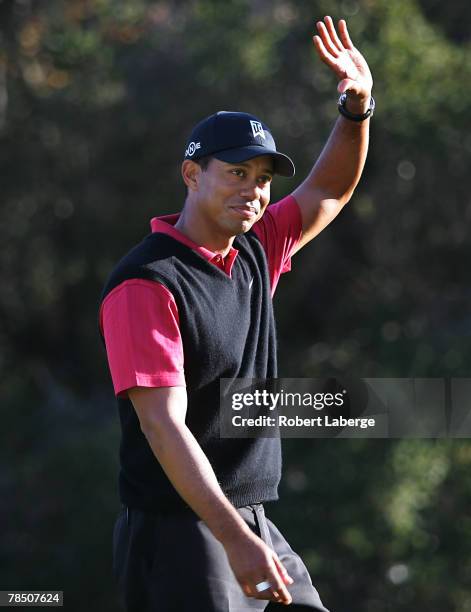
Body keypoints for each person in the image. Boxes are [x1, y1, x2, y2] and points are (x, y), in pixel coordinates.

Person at [99, 15, 373, 612]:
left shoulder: (252, 247)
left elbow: (329, 190)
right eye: (236, 174)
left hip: (249, 518)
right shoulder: (146, 284)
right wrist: (232, 539)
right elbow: (163, 427)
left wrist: (357, 108)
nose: (253, 189)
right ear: (192, 175)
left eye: (263, 178)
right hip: (178, 533)